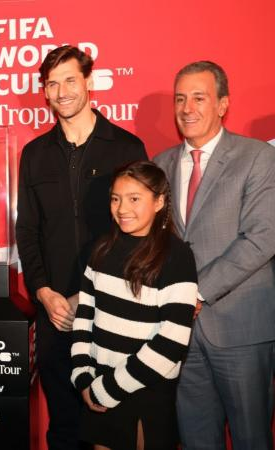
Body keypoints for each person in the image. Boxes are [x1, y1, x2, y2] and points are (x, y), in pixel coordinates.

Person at [15, 45, 147, 449]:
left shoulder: (126, 148)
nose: (62, 92)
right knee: (64, 427)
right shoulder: (34, 154)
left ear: (89, 82)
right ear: (44, 92)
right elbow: (28, 230)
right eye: (52, 84)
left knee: (114, 429)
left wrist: (86, 295)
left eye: (70, 80)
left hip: (114, 311)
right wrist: (43, 292)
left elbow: (139, 232)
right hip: (55, 316)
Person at [154, 61, 275, 449]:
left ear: (223, 104)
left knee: (252, 439)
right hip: (180, 334)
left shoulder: (257, 157)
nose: (187, 108)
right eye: (180, 99)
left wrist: (197, 291)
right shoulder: (160, 165)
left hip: (241, 329)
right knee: (196, 440)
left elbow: (262, 238)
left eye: (199, 98)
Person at [71, 161, 198, 450]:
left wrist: (109, 388)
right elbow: (84, 317)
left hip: (146, 389)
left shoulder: (177, 256)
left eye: (134, 199)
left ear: (159, 202)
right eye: (116, 199)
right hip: (99, 384)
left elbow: (172, 342)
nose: (122, 208)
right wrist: (82, 376)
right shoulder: (101, 249)